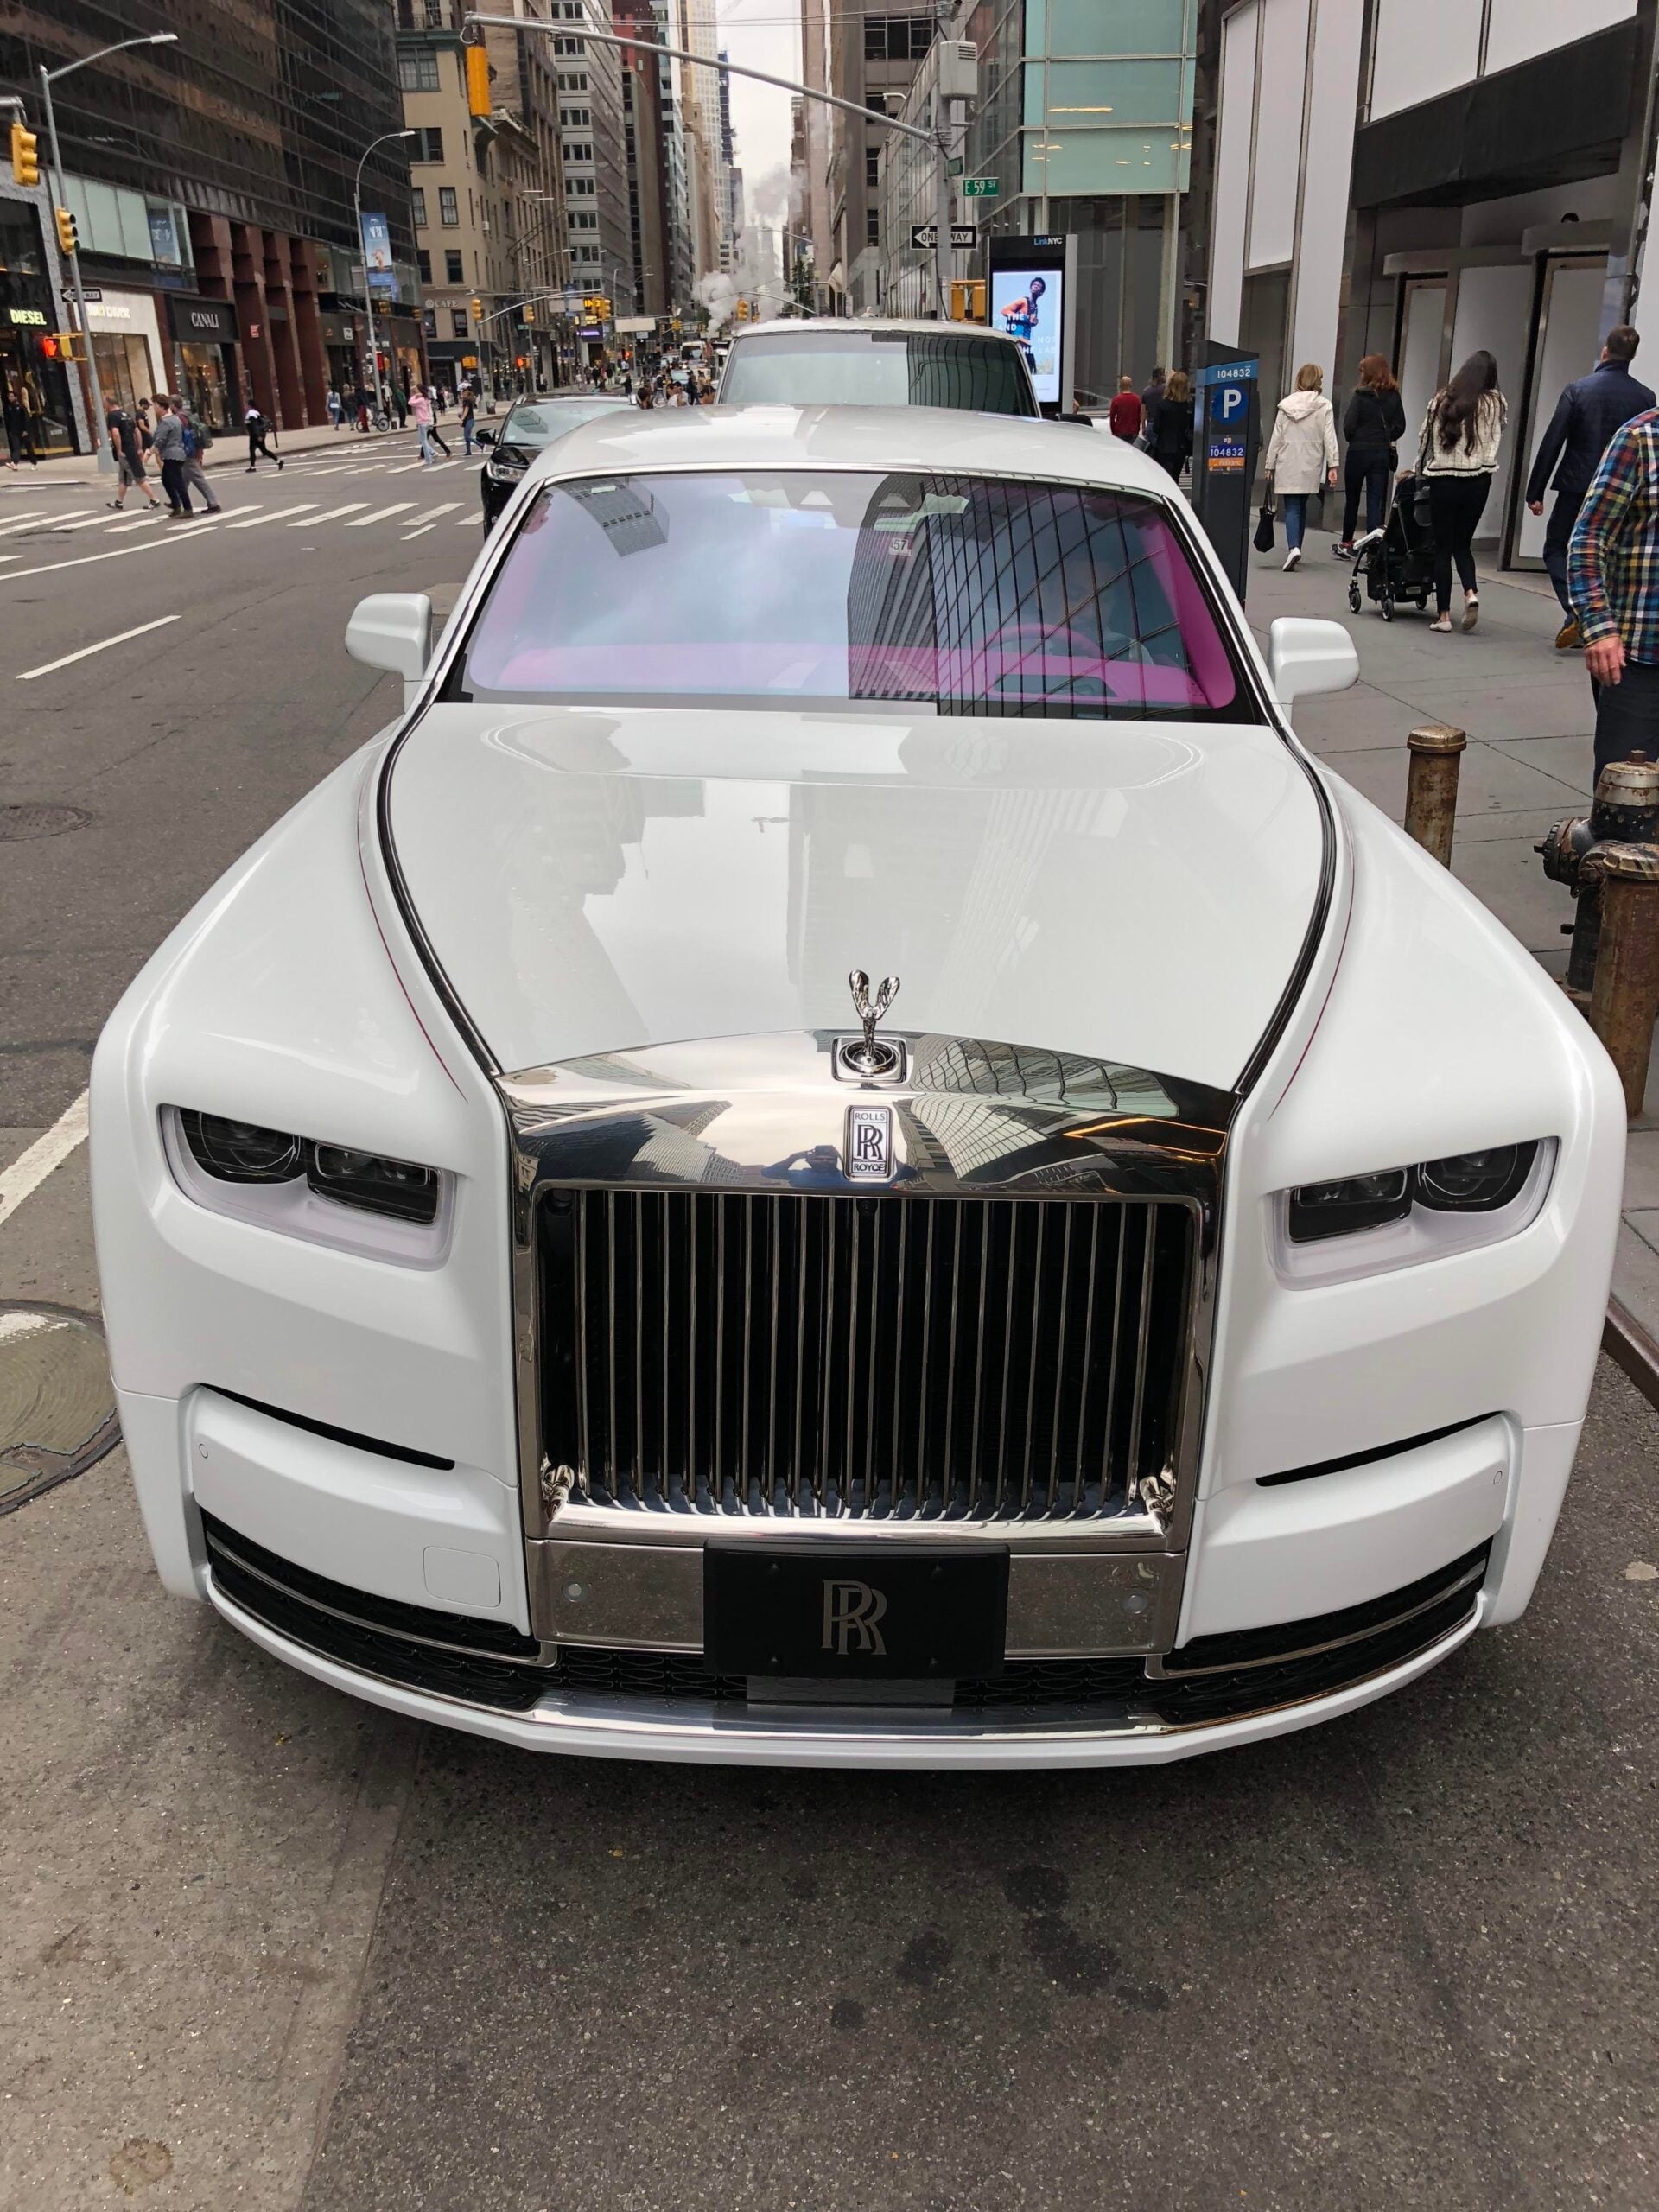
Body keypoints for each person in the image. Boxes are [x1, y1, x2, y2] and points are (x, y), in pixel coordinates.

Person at [1525, 324, 1654, 649]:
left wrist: (1535, 491)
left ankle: (1578, 609)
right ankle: (1601, 617)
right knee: (1611, 552)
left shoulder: (1579, 389)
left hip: (1577, 484)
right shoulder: (1646, 397)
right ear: (1633, 355)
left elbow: (1553, 441)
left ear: (1605, 351)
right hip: (1624, 489)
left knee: (1557, 547)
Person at [1567, 407, 1659, 781]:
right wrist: (1600, 628)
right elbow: (1589, 538)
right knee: (1626, 795)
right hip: (1642, 657)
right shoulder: (1640, 439)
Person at [1403, 349, 1506, 634]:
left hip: (1444, 481)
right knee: (1463, 544)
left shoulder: (1441, 401)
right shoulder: (1496, 403)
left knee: (1443, 548)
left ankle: (1444, 617)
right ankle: (1470, 593)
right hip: (1479, 481)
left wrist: (1418, 472)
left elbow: (1425, 440)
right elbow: (1498, 435)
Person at [1262, 363, 1339, 572]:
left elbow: (1276, 437)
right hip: (1311, 461)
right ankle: (1297, 547)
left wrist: (1269, 464)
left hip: (1287, 459)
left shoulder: (1286, 405)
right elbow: (1330, 437)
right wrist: (1333, 464)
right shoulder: (1324, 406)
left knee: (1292, 506)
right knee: (1302, 503)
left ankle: (1294, 548)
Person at [1336, 353, 1407, 554]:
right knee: (1375, 501)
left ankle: (1347, 542)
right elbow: (1401, 425)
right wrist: (1386, 437)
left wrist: (1356, 438)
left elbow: (1348, 426)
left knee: (1352, 499)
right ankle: (1373, 546)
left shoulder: (1360, 396)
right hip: (1381, 453)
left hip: (1358, 452)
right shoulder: (1394, 396)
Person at [105, 402, 160, 510]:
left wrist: (119, 450)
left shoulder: (112, 416)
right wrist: (139, 447)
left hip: (125, 451)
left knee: (138, 476)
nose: (104, 406)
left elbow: (115, 433)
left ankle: (154, 499)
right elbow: (137, 431)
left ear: (109, 404)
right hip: (132, 448)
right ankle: (119, 502)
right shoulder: (127, 415)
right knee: (124, 477)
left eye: (105, 404)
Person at [173, 396, 223, 512]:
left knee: (198, 479)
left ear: (173, 405)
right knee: (183, 479)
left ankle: (213, 503)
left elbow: (183, 435)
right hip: (194, 450)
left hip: (187, 453)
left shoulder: (179, 418)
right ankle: (176, 502)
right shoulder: (188, 415)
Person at [1146, 369, 1192, 482]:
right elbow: (1191, 426)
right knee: (1176, 477)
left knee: (1165, 478)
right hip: (1181, 447)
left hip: (1164, 447)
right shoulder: (1189, 406)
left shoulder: (1163, 405)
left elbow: (1156, 428)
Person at [149, 397, 194, 515]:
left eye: (155, 405)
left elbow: (160, 440)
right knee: (166, 479)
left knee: (177, 482)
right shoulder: (175, 419)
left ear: (161, 406)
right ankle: (176, 504)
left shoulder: (165, 421)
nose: (154, 408)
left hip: (171, 454)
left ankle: (187, 508)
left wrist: (149, 453)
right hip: (178, 452)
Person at [410, 384, 451, 463]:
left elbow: (431, 412)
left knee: (427, 439)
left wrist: (432, 423)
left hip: (429, 421)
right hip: (428, 421)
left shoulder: (427, 400)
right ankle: (425, 454)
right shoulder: (425, 398)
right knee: (427, 439)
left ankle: (434, 453)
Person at [245, 402, 283, 470]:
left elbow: (254, 426)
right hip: (260, 434)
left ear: (250, 406)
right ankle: (279, 461)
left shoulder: (251, 414)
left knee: (252, 450)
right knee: (263, 451)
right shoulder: (256, 413)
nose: (246, 407)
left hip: (255, 435)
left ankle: (252, 467)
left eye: (247, 405)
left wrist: (258, 436)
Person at [1107, 375, 1142, 442]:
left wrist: (1113, 431)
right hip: (1132, 431)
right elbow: (1138, 417)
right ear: (1131, 385)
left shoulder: (1116, 400)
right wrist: (1137, 430)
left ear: (1120, 386)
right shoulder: (1137, 399)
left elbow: (1112, 417)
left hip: (1119, 431)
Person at [1140, 365, 1166, 431]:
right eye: (1164, 374)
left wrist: (1143, 427)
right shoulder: (1166, 390)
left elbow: (1143, 411)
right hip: (1163, 424)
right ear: (1161, 376)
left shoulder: (1146, 391)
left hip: (1150, 424)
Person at [459, 384, 477, 454]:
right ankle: (468, 451)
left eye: (463, 393)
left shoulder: (467, 401)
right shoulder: (467, 401)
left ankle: (481, 444)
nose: (462, 394)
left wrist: (462, 419)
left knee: (467, 436)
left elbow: (466, 411)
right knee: (467, 437)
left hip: (469, 420)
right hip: (469, 420)